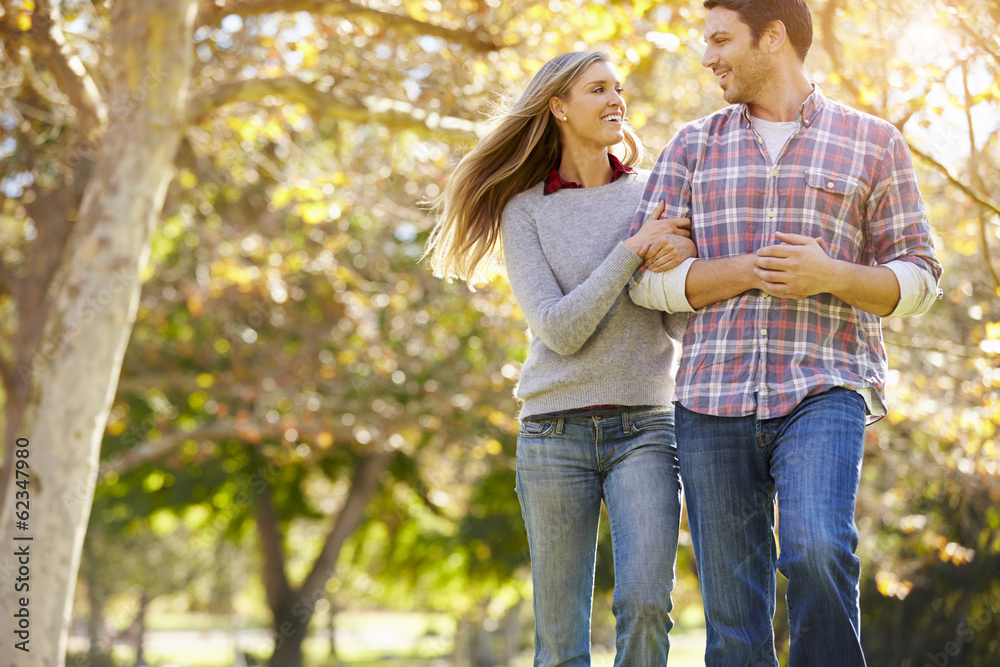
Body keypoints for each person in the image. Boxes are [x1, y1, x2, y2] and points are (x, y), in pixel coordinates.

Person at [628, 1, 942, 665]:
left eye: (721, 39)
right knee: (735, 616)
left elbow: (919, 278)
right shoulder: (690, 145)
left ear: (773, 37)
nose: (708, 55)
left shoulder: (873, 141)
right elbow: (647, 285)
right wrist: (740, 270)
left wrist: (830, 274)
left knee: (817, 543)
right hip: (710, 397)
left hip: (825, 383)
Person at [426, 50, 694, 666]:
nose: (615, 100)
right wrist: (632, 252)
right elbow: (558, 329)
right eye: (597, 89)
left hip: (646, 428)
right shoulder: (526, 211)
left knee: (648, 605)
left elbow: (677, 319)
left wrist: (678, 260)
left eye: (618, 88)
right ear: (558, 106)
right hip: (553, 434)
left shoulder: (654, 193)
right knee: (560, 639)